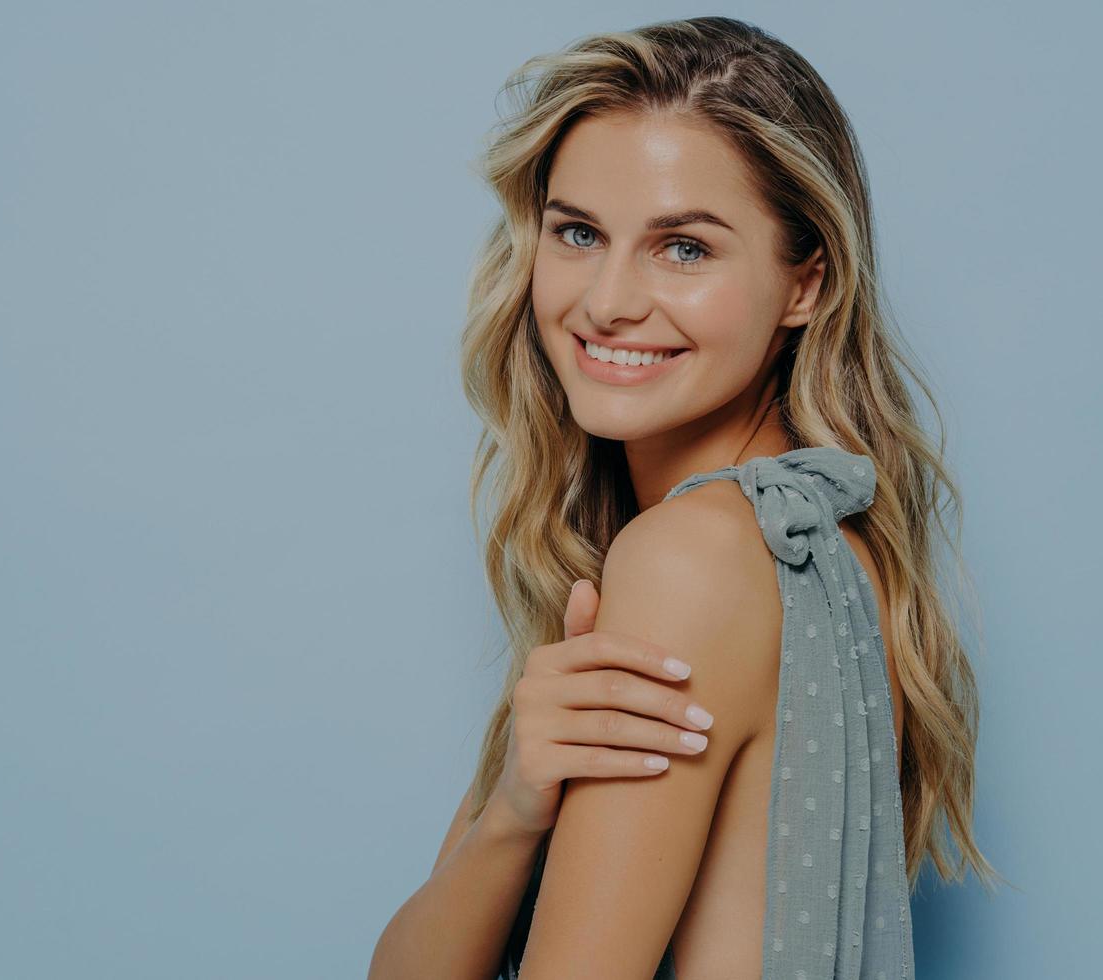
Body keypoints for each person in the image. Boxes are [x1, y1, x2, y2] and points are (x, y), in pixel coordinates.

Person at [370, 16, 999, 979]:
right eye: (579, 232)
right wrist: (512, 811)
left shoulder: (692, 558)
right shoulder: (821, 543)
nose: (609, 300)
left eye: (685, 249)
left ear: (807, 282)